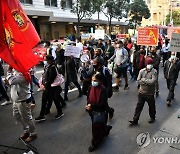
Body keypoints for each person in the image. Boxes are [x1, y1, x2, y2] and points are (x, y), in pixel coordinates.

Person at [6, 67, 37, 142]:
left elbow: (12, 81)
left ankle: (33, 133)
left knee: (27, 118)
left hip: (23, 100)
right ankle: (26, 130)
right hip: (16, 100)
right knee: (16, 116)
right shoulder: (16, 71)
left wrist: (9, 71)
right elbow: (12, 84)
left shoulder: (24, 73)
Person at [86, 73, 112, 152]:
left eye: (95, 80)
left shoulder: (103, 89)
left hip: (100, 111)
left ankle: (95, 143)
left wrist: (92, 106)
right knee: (99, 125)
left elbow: (102, 103)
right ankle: (106, 129)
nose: (93, 82)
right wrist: (88, 105)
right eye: (92, 80)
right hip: (91, 110)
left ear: (100, 81)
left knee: (95, 128)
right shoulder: (91, 87)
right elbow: (88, 98)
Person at [35, 54, 64, 122]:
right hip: (48, 87)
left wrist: (45, 85)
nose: (45, 60)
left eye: (46, 59)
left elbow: (51, 78)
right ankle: (42, 115)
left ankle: (60, 112)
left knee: (56, 100)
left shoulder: (53, 67)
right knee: (44, 100)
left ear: (50, 60)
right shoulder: (47, 66)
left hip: (53, 87)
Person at [129, 59, 157, 125]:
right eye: (148, 64)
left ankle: (152, 117)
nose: (149, 65)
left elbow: (153, 82)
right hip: (141, 92)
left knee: (151, 106)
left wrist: (143, 80)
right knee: (138, 107)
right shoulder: (141, 71)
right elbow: (138, 81)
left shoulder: (154, 71)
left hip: (150, 93)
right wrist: (147, 81)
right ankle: (135, 119)